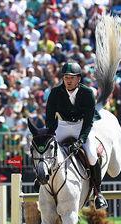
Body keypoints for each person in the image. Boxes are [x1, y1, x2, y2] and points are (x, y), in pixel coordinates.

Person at [43, 62, 107, 210]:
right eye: (66, 77)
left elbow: (89, 121)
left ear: (78, 78)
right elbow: (50, 117)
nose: (68, 80)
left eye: (71, 77)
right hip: (63, 125)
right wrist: (51, 132)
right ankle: (40, 180)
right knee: (46, 151)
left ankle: (98, 193)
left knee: (91, 155)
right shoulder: (55, 92)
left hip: (81, 126)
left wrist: (81, 140)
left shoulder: (87, 93)